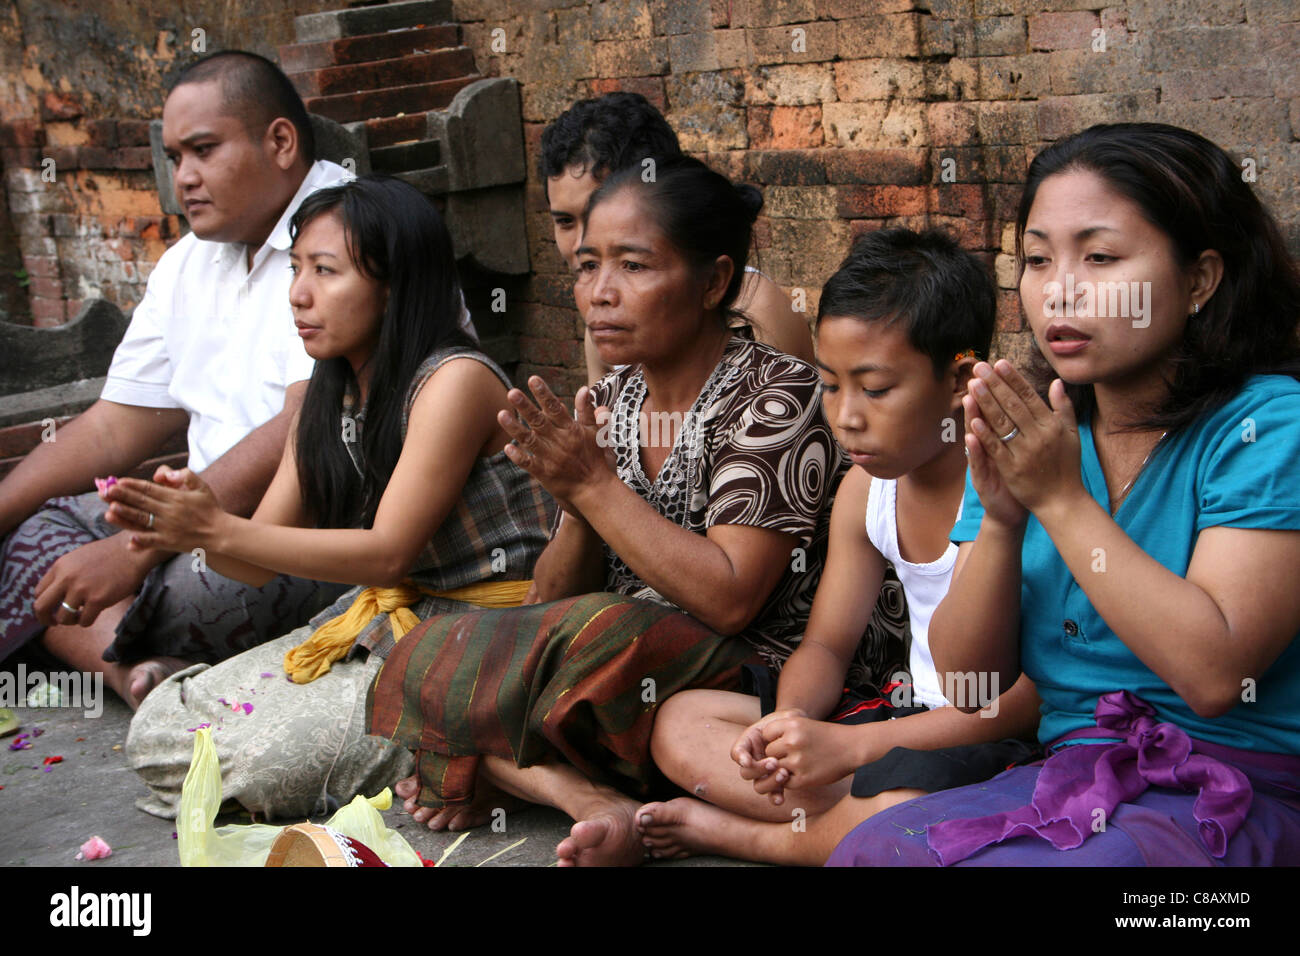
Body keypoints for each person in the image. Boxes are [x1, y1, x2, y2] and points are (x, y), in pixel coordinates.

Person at [829, 123, 1300, 867]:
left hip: (1239, 788)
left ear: (1201, 279)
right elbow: (970, 680)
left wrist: (1058, 500)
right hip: (1076, 774)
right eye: (1039, 260)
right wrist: (1005, 523)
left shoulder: (1266, 426)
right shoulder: (1039, 429)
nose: (1060, 290)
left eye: (1101, 256)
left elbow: (1217, 676)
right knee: (878, 851)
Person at [366, 156, 846, 864]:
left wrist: (594, 486)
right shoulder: (618, 399)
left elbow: (731, 598)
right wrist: (577, 499)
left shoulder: (776, 398)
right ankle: (593, 802)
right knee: (454, 659)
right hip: (618, 671)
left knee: (570, 653)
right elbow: (551, 596)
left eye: (633, 266)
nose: (600, 294)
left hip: (751, 677)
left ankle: (547, 776)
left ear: (713, 282)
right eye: (588, 267)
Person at [103, 176, 552, 819]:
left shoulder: (455, 380)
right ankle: (436, 747)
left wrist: (219, 529)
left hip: (482, 637)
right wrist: (198, 525)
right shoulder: (330, 386)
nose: (298, 294)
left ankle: (465, 743)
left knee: (262, 773)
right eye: (295, 269)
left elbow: (387, 552)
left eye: (325, 270)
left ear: (394, 284)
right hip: (384, 624)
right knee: (156, 729)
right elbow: (251, 564)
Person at [637, 228, 1042, 865]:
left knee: (902, 811)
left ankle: (744, 834)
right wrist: (791, 728)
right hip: (896, 719)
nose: (846, 415)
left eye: (875, 389)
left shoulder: (1012, 489)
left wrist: (848, 752)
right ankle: (830, 816)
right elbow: (827, 644)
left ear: (960, 379)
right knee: (679, 720)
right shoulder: (865, 491)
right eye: (830, 384)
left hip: (984, 741)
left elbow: (1021, 703)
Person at [2, 53, 345, 705]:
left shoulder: (353, 233)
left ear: (279, 142)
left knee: (190, 591)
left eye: (203, 151)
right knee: (32, 536)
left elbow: (312, 420)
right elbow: (113, 425)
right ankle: (138, 675)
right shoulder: (191, 259)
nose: (183, 178)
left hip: (305, 535)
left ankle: (133, 652)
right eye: (174, 157)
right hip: (188, 517)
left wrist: (143, 547)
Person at [540, 92, 815, 379]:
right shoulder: (606, 320)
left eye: (634, 265)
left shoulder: (756, 312)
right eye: (565, 221)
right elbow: (601, 421)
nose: (582, 245)